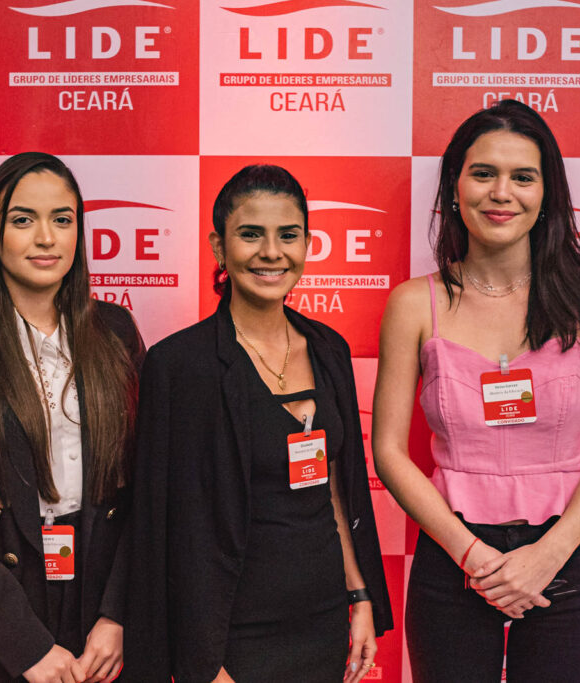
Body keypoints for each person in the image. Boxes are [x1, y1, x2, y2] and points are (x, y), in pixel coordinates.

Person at [372, 100, 580, 682]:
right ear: (455, 184)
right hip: (453, 554)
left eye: (523, 176)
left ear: (547, 193)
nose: (502, 192)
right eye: (483, 173)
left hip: (568, 554)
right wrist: (472, 556)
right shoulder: (414, 303)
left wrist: (548, 555)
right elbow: (388, 451)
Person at [124, 165, 392, 682]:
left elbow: (338, 488)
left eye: (288, 235)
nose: (272, 252)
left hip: (322, 619)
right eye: (251, 234)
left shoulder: (328, 348)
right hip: (232, 633)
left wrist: (358, 596)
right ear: (219, 248)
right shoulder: (180, 365)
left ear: (308, 244)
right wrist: (203, 661)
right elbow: (165, 529)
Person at [0, 152, 143, 683]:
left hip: (98, 612)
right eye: (23, 220)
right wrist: (27, 647)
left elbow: (145, 492)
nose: (46, 238)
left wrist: (118, 614)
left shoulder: (116, 331)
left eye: (62, 220)